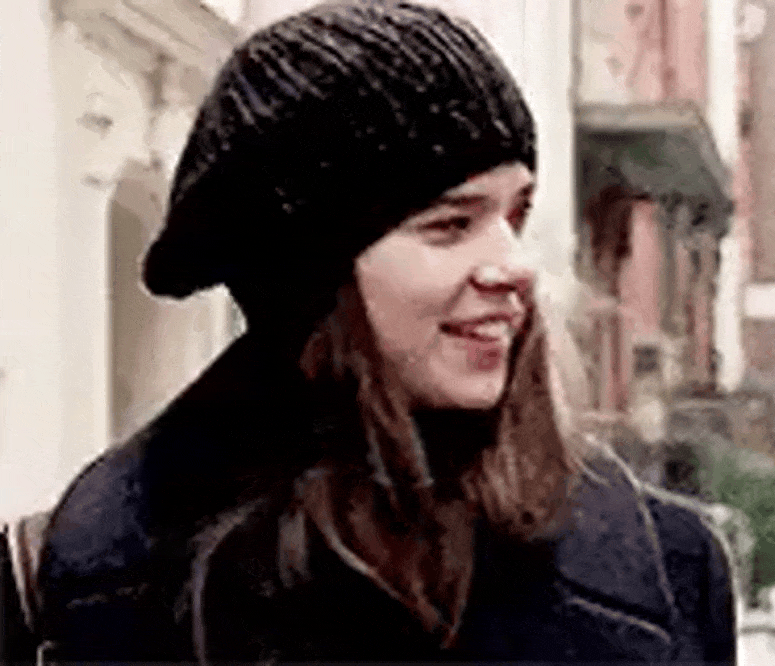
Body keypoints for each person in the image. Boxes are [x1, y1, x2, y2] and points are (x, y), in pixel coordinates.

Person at [1, 3, 736, 663]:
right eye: (450, 225)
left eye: (514, 215)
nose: (513, 266)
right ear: (310, 278)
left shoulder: (670, 570)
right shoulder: (69, 587)